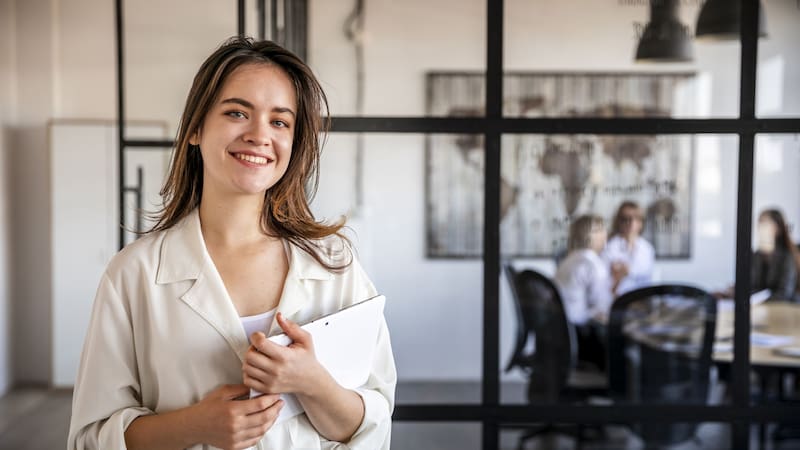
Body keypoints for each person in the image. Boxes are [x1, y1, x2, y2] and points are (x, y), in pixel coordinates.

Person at [68, 37, 396, 450]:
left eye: (280, 122)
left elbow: (376, 422)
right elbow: (89, 438)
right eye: (237, 112)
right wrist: (193, 426)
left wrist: (314, 384)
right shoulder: (133, 273)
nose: (259, 135)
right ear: (195, 129)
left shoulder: (335, 265)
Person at [555, 215, 623, 369]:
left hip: (564, 333)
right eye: (600, 230)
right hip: (583, 337)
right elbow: (602, 307)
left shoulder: (568, 260)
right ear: (590, 235)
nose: (606, 234)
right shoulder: (593, 264)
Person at [602, 201, 655, 295]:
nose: (630, 223)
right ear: (618, 221)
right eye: (625, 219)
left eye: (636, 218)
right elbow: (603, 286)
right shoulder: (608, 247)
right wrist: (619, 277)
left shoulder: (647, 248)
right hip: (617, 301)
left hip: (642, 301)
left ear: (641, 222)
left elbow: (649, 281)